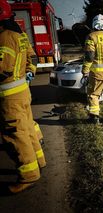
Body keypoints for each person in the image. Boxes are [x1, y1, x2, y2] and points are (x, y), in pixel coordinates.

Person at [0, 0, 45, 193]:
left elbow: (3, 68)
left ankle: (28, 176)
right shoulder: (20, 34)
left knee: (15, 134)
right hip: (21, 92)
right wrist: (30, 72)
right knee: (26, 129)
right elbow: (32, 57)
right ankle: (39, 161)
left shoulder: (3, 37)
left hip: (9, 95)